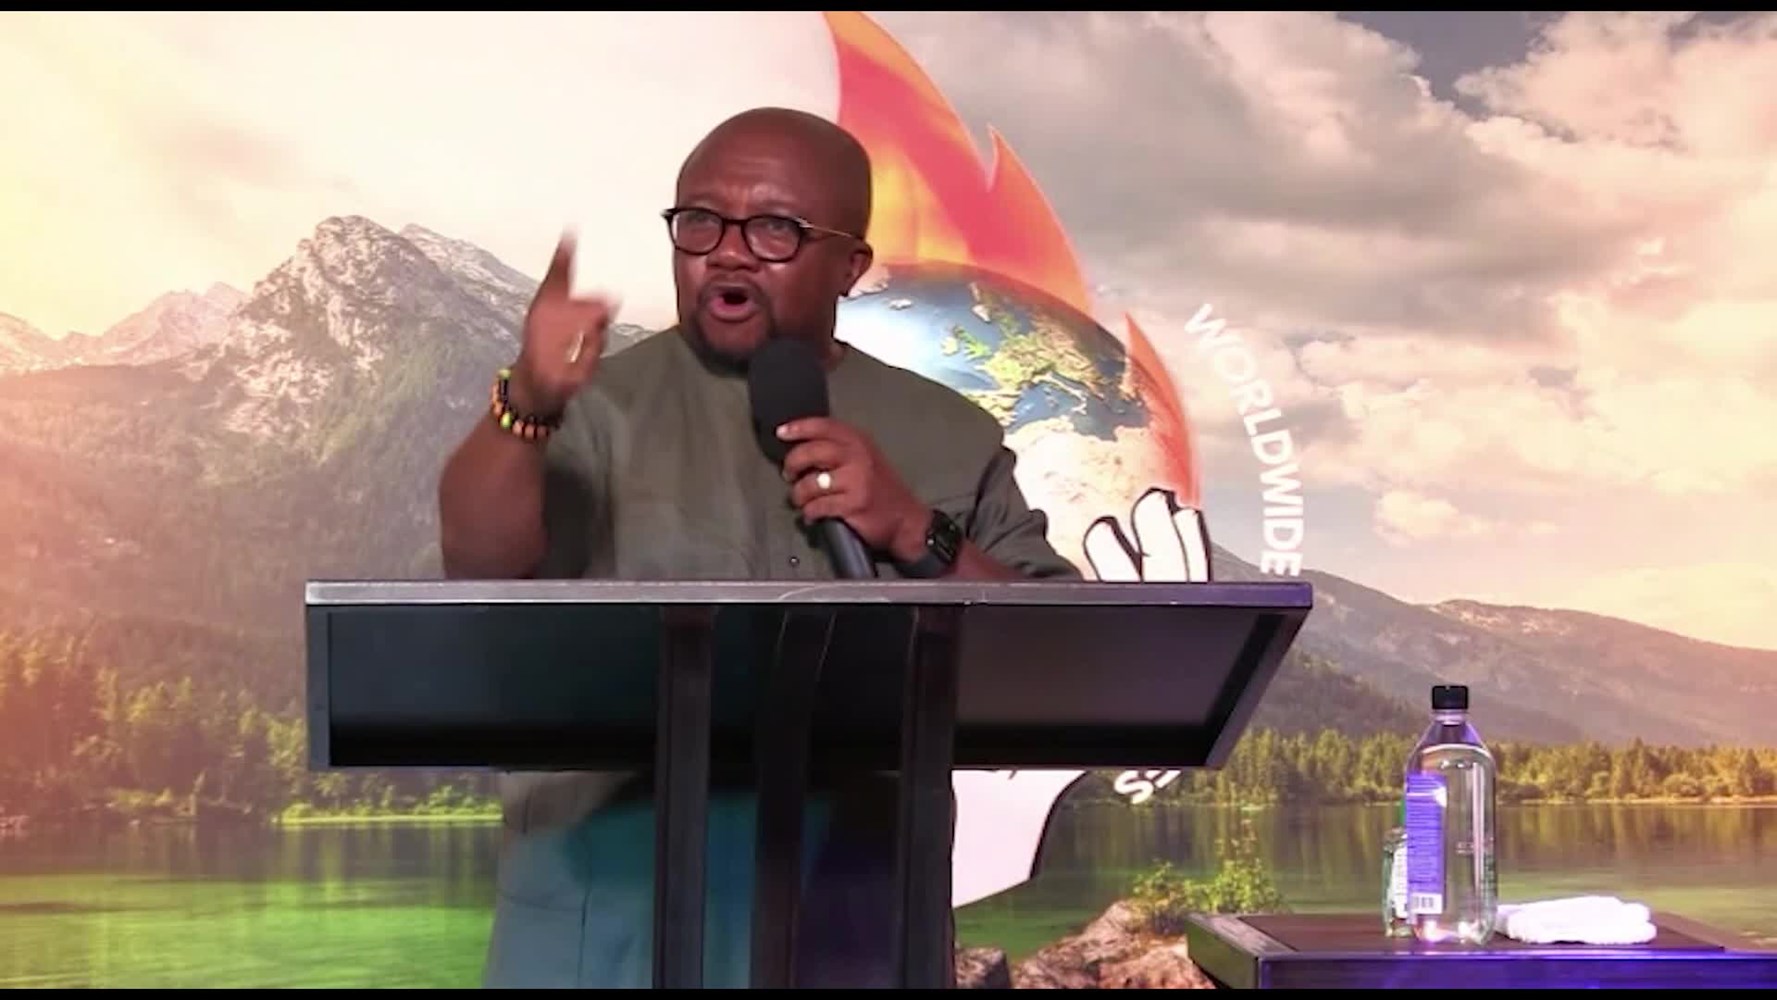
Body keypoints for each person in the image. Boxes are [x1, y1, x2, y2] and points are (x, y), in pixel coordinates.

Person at [437, 106, 1080, 988]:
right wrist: (527, 403)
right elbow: (477, 565)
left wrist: (912, 530)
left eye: (775, 229)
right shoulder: (588, 408)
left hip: (855, 941)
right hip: (603, 938)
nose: (728, 253)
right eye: (700, 221)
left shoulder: (948, 433)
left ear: (849, 265)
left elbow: (1058, 657)